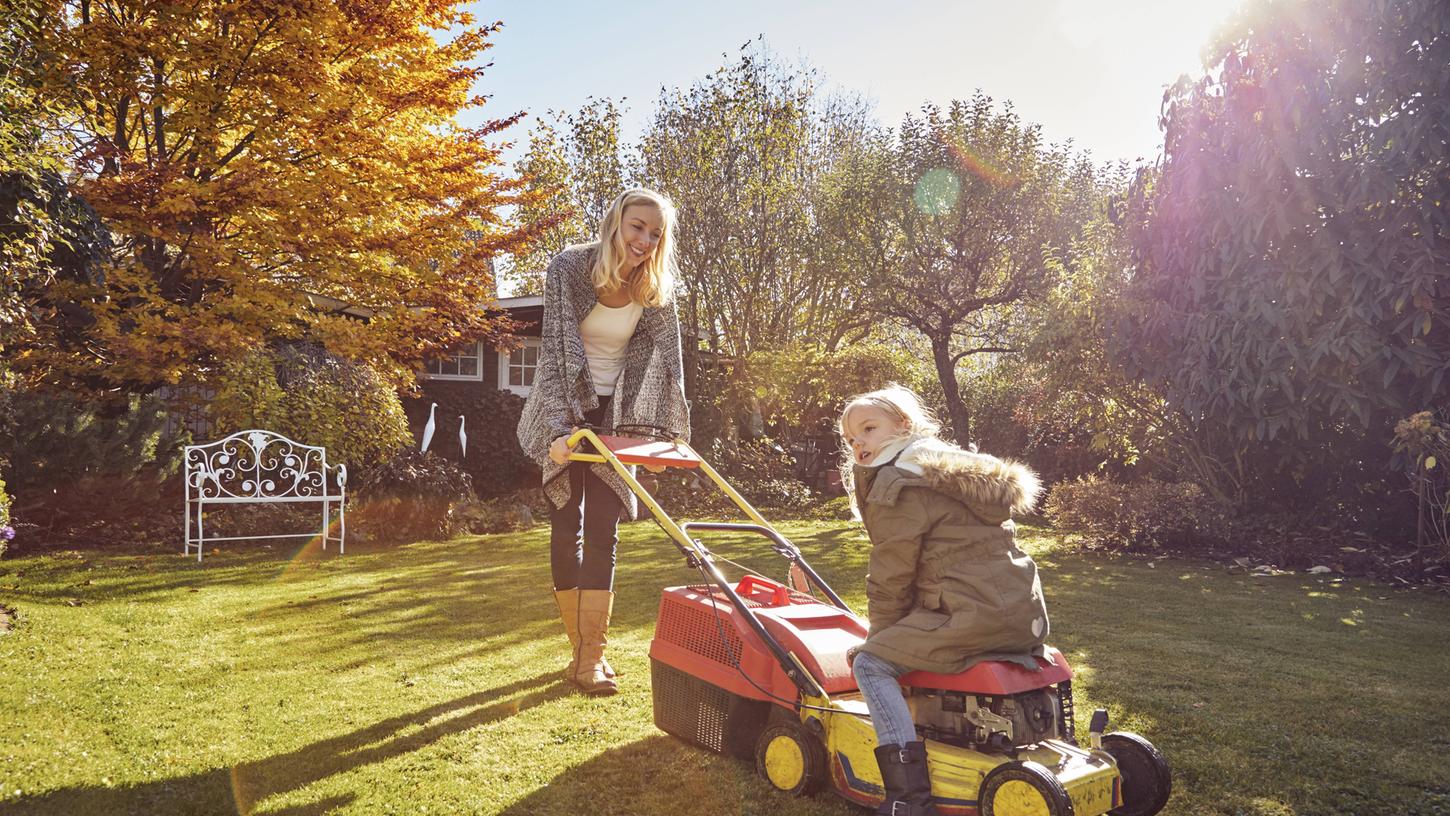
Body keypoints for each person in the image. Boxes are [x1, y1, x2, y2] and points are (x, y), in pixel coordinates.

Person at [838, 384, 1049, 816]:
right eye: (850, 439)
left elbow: (891, 572)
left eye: (869, 429)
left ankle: (908, 797)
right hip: (1020, 612)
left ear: (904, 425)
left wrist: (880, 635)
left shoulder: (899, 483)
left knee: (871, 663)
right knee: (904, 643)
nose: (859, 443)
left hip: (969, 612)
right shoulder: (957, 473)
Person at [516, 188, 690, 697]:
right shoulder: (570, 268)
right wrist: (554, 432)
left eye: (656, 234)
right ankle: (581, 650)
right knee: (567, 522)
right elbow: (553, 353)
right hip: (569, 407)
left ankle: (592, 654)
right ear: (616, 222)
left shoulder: (655, 288)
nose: (644, 240)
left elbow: (669, 365)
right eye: (638, 227)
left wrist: (667, 437)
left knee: (603, 528)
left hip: (621, 416)